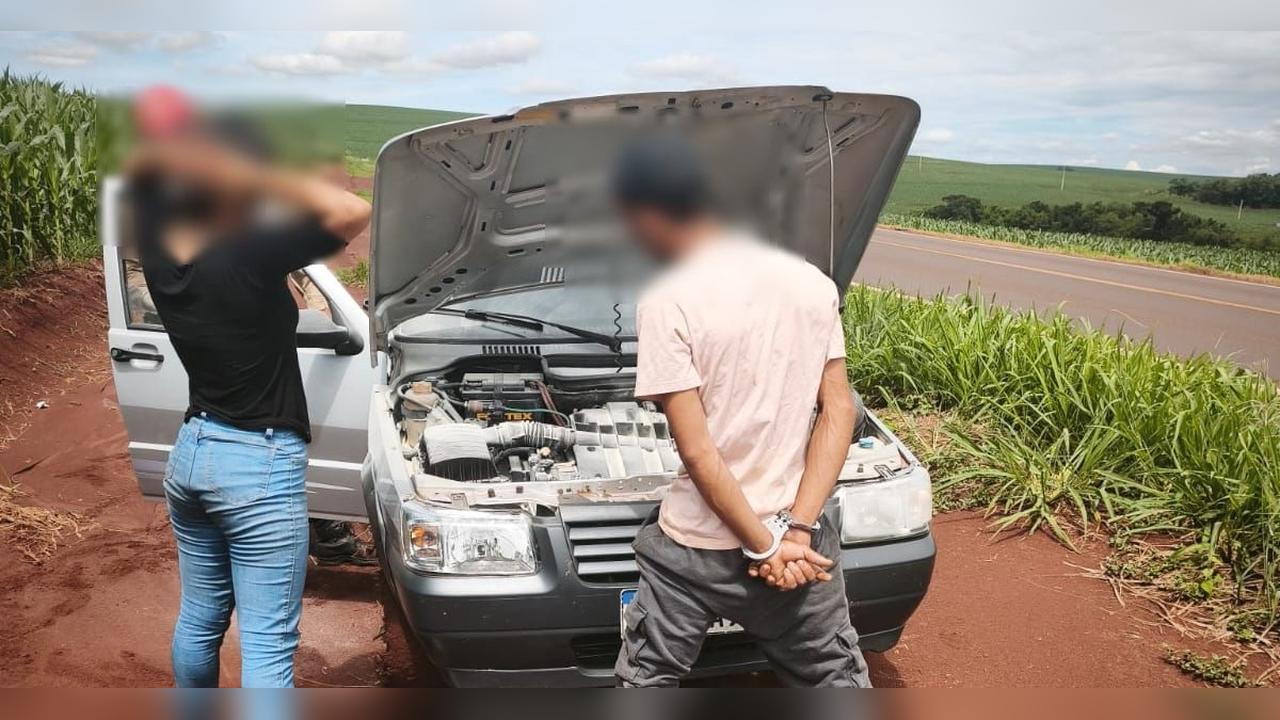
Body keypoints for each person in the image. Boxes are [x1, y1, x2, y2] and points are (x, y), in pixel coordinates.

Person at [125, 87, 372, 687]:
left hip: (193, 453)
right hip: (257, 464)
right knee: (267, 642)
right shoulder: (247, 247)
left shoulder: (160, 248)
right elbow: (352, 212)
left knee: (201, 617)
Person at [612, 136, 871, 687]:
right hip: (800, 541)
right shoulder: (813, 285)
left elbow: (698, 449)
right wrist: (795, 534)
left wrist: (763, 545)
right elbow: (838, 410)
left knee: (650, 679)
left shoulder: (669, 298)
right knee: (833, 676)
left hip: (696, 550)